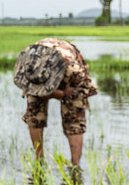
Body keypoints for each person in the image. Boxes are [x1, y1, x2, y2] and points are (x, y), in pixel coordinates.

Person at [12, 38, 97, 166]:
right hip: (40, 65)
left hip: (67, 74)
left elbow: (85, 91)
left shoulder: (74, 70)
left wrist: (63, 94)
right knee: (34, 114)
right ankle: (39, 160)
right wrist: (56, 93)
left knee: (74, 119)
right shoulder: (30, 66)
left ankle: (75, 165)